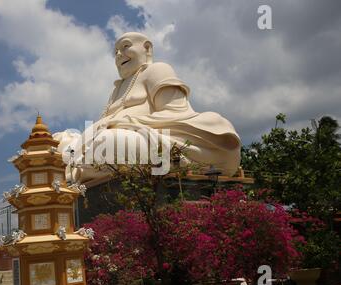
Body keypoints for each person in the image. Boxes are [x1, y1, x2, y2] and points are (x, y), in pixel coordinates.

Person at [53, 32, 241, 183]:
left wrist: (126, 122)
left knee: (107, 142)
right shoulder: (117, 88)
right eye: (116, 52)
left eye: (125, 47)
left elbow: (175, 113)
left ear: (147, 48)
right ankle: (85, 164)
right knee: (58, 146)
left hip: (156, 137)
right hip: (117, 141)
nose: (119, 55)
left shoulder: (157, 70)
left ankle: (88, 166)